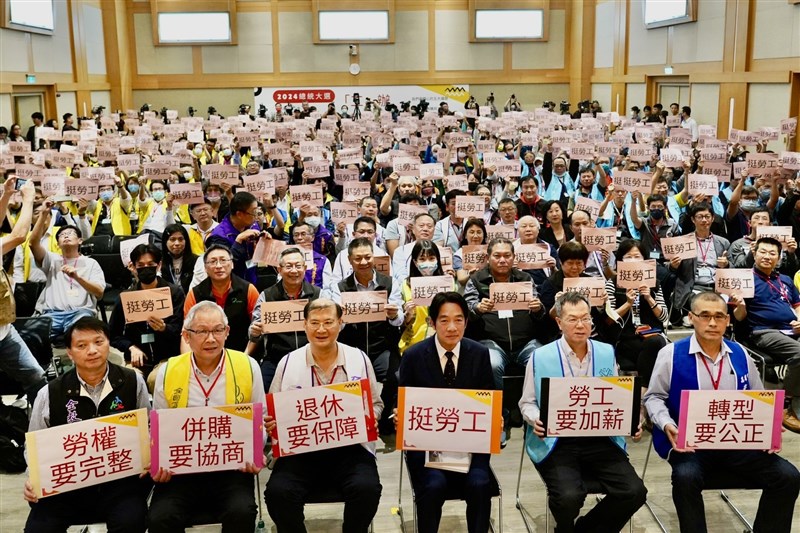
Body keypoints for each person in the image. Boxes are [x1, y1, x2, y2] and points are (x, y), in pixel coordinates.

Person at [644, 291, 800, 533]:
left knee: (788, 476)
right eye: (704, 316)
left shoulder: (740, 353)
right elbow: (654, 397)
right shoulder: (671, 354)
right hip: (691, 444)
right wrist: (666, 423)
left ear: (728, 320)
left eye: (719, 316)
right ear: (691, 318)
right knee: (686, 478)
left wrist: (768, 427)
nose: (712, 323)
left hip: (736, 441)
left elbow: (759, 397)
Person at [520, 292, 647, 532]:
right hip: (557, 440)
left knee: (634, 491)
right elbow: (527, 402)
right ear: (559, 322)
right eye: (572, 319)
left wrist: (633, 421)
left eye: (585, 318)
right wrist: (536, 419)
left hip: (600, 437)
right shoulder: (540, 356)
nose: (580, 325)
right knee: (568, 497)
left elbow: (616, 397)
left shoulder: (606, 352)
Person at [264, 299, 383, 533]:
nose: (321, 329)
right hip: (301, 450)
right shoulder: (287, 363)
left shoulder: (359, 359)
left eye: (328, 322)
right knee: (278, 493)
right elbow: (272, 411)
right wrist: (271, 423)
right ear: (304, 324)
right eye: (314, 323)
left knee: (367, 489)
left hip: (350, 448)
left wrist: (371, 417)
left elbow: (376, 404)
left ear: (340, 323)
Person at [23, 317, 151, 533]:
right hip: (66, 487)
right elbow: (34, 445)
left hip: (120, 485)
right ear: (70, 353)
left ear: (109, 344)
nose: (92, 350)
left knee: (132, 521)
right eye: (81, 345)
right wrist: (32, 478)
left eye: (98, 342)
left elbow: (147, 429)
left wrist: (149, 457)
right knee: (38, 529)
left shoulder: (132, 381)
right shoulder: (49, 393)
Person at [149, 301, 263, 532]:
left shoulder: (247, 366)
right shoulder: (168, 370)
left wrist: (256, 454)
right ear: (186, 336)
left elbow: (259, 419)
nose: (211, 339)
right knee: (160, 518)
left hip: (231, 467)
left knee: (242, 511)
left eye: (217, 330)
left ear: (227, 332)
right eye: (201, 331)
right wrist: (159, 461)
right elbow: (159, 428)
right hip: (182, 469)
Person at [398, 291, 497, 533]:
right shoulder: (413, 356)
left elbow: (489, 398)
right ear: (432, 322)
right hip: (428, 448)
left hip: (470, 445)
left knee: (479, 484)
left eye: (458, 320)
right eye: (444, 320)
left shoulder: (480, 353)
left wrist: (497, 418)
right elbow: (403, 405)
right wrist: (400, 416)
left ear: (466, 322)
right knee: (433, 486)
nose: (452, 327)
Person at [731, 237, 800, 432]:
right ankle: (786, 402)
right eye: (763, 252)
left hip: (791, 329)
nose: (767, 257)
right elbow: (738, 317)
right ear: (754, 253)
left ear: (779, 257)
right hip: (763, 331)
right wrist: (740, 306)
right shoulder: (744, 279)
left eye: (772, 253)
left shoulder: (785, 279)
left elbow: (797, 305)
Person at [329, 237, 403, 382]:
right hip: (352, 350)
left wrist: (393, 315)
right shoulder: (339, 287)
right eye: (358, 258)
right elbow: (337, 327)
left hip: (383, 348)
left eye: (368, 257)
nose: (363, 262)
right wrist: (340, 317)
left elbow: (399, 320)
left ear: (373, 257)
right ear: (350, 260)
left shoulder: (390, 282)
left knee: (397, 378)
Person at [0, 177, 46, 404]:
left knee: (35, 375)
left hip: (3, 331)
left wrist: (7, 195)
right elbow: (19, 236)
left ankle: (41, 420)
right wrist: (28, 199)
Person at [109, 244, 184, 383]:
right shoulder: (126, 297)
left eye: (150, 264)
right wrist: (130, 347)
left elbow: (180, 329)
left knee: (156, 379)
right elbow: (113, 334)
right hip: (137, 358)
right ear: (133, 267)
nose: (146, 268)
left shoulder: (174, 293)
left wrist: (164, 328)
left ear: (158, 265)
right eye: (141, 265)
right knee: (130, 379)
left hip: (167, 357)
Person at [29, 204, 105, 340]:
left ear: (80, 240)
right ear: (58, 244)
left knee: (83, 333)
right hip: (52, 314)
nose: (66, 236)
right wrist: (44, 214)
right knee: (31, 335)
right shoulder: (52, 259)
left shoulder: (91, 263)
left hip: (80, 313)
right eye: (62, 235)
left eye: (70, 234)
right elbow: (33, 243)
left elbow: (99, 292)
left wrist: (77, 277)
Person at [249, 247, 320, 389]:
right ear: (279, 270)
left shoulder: (318, 295)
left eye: (298, 266)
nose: (294, 271)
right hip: (275, 358)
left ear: (305, 268)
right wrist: (255, 332)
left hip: (312, 357)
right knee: (259, 388)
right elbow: (254, 333)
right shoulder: (267, 296)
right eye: (288, 266)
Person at [604, 239, 668, 385]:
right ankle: (646, 388)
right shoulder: (612, 283)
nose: (633, 260)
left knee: (655, 342)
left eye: (637, 257)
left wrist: (649, 298)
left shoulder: (654, 283)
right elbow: (609, 320)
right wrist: (628, 304)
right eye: (628, 257)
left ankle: (643, 388)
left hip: (651, 334)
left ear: (644, 259)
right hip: (624, 336)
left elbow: (664, 317)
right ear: (620, 260)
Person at [183, 244, 259, 352]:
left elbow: (257, 329)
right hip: (205, 353)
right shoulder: (195, 294)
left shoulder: (248, 290)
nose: (218, 266)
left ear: (232, 264)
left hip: (241, 352)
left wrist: (245, 357)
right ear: (205, 268)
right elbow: (186, 330)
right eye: (213, 261)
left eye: (223, 260)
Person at [670, 202, 730, 324]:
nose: (704, 220)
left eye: (707, 216)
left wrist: (726, 265)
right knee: (700, 301)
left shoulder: (723, 242)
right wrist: (673, 265)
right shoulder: (683, 242)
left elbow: (733, 268)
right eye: (700, 217)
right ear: (693, 219)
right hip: (694, 286)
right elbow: (670, 267)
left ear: (712, 218)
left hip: (716, 286)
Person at [399, 240, 457, 354]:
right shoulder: (405, 285)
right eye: (422, 259)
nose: (427, 263)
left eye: (431, 258)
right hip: (413, 344)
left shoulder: (448, 284)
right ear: (415, 262)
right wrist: (408, 314)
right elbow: (401, 322)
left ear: (437, 260)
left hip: (444, 344)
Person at [206, 191, 262, 284]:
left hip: (252, 279)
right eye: (253, 212)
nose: (256, 216)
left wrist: (265, 241)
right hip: (232, 285)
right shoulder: (218, 236)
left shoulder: (253, 225)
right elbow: (223, 266)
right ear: (239, 214)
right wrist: (238, 241)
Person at [330, 216, 389, 287]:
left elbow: (388, 283)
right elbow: (335, 284)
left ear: (375, 235)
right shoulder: (342, 255)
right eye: (362, 232)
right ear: (353, 234)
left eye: (370, 232)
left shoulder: (383, 255)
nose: (366, 236)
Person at [291, 220, 332, 290]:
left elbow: (327, 287)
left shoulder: (322, 260)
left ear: (312, 237)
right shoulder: (287, 259)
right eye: (296, 235)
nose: (299, 238)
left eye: (303, 234)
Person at [160, 223, 198, 295]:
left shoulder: (196, 261)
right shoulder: (159, 262)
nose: (177, 243)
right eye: (172, 239)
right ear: (165, 242)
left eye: (180, 239)